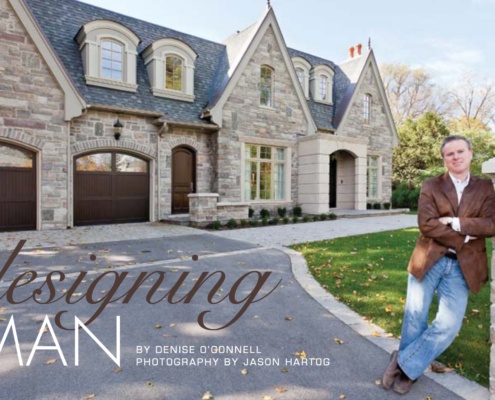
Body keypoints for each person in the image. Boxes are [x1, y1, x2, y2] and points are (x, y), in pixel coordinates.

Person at [382, 135, 495, 394]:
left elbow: (491, 224)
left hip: (462, 266)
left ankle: (403, 363)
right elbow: (427, 224)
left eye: (460, 152)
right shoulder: (431, 185)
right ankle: (409, 374)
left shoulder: (485, 187)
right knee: (415, 318)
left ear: (470, 153)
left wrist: (455, 223)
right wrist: (467, 235)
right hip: (429, 259)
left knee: (449, 324)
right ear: (444, 158)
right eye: (449, 154)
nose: (455, 157)